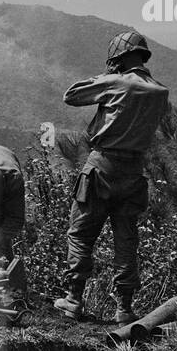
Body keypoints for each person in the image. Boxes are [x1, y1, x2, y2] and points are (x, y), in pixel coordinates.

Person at [55, 30, 169, 324]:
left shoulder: (114, 82)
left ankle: (73, 300)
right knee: (126, 240)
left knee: (81, 234)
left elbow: (71, 95)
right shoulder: (160, 91)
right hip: (134, 173)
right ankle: (125, 308)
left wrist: (106, 75)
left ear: (117, 58)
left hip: (102, 166)